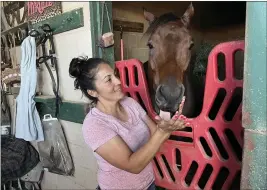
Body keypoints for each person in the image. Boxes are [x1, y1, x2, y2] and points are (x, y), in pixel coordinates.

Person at [69, 57, 189, 190]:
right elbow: (133, 166)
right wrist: (162, 132)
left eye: (115, 75)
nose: (118, 81)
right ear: (93, 92)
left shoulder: (129, 103)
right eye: (109, 80)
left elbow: (157, 136)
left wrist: (167, 123)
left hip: (149, 183)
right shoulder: (94, 125)